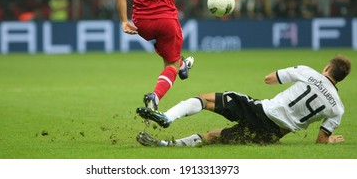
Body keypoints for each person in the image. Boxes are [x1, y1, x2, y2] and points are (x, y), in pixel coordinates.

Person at [136, 55, 351, 146]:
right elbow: (321, 140)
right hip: (273, 134)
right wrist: (329, 141)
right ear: (340, 77)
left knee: (205, 100)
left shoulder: (307, 72)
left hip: (262, 112)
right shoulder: (337, 108)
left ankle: (167, 117)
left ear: (327, 68)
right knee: (213, 136)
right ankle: (164, 145)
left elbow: (269, 79)